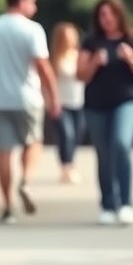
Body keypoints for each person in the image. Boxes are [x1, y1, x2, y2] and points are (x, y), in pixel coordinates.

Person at [0, 0, 61, 224]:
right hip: (27, 97)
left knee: (4, 151)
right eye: (32, 2)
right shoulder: (33, 29)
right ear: (21, 1)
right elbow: (42, 66)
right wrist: (54, 97)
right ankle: (26, 180)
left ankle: (7, 207)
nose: (34, 7)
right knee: (34, 141)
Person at [77, 0, 133, 225]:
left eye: (111, 14)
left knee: (121, 143)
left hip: (128, 102)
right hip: (96, 104)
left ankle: (125, 204)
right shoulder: (91, 41)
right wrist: (95, 62)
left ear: (119, 15)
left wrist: (132, 59)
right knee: (103, 153)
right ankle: (108, 204)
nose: (107, 19)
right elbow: (80, 75)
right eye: (102, 15)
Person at [49, 22, 85, 184]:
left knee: (76, 136)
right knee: (66, 135)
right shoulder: (55, 58)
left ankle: (69, 165)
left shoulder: (79, 55)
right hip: (60, 103)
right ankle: (66, 167)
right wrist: (50, 102)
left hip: (79, 102)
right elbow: (49, 82)